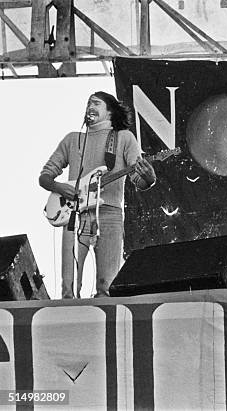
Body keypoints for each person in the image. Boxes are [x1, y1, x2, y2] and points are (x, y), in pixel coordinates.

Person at [39, 91, 156, 299]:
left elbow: (138, 181)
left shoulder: (124, 138)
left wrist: (149, 178)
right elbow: (45, 177)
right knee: (69, 287)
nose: (90, 107)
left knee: (107, 287)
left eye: (96, 103)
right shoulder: (73, 139)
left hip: (109, 214)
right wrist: (59, 187)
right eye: (88, 103)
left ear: (110, 111)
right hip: (74, 214)